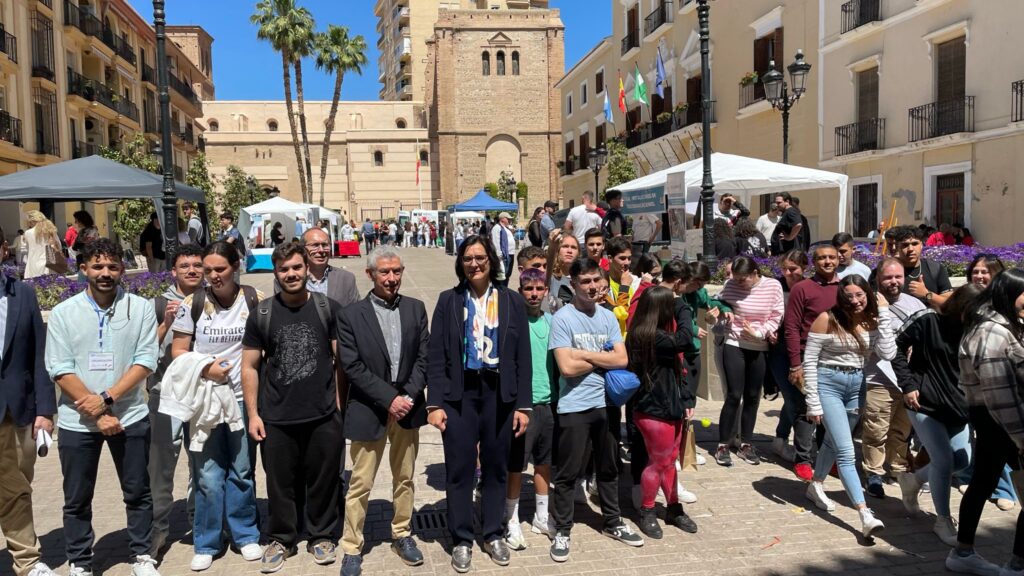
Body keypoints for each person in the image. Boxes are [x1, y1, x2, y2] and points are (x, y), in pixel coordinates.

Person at [45, 238, 161, 576]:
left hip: (131, 416)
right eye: (98, 266)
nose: (105, 273)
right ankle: (80, 562)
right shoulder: (65, 313)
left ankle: (141, 554)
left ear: (122, 269)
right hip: (77, 422)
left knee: (138, 491)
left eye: (112, 266)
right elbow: (59, 368)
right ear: (84, 270)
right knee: (77, 498)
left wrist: (107, 399)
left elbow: (145, 360)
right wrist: (98, 412)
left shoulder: (139, 308)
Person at [426, 235, 532, 572]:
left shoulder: (511, 300)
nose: (475, 263)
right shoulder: (448, 301)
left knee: (496, 466)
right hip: (460, 395)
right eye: (468, 258)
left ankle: (493, 532)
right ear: (460, 263)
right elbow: (436, 355)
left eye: (480, 257)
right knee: (458, 469)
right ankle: (460, 538)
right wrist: (435, 403)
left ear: (492, 260)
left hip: (499, 394)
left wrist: (523, 405)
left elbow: (523, 355)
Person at [241, 241, 345, 573]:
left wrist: (339, 406)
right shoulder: (263, 313)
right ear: (276, 272)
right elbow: (249, 367)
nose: (291, 274)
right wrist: (254, 414)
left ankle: (321, 534)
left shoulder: (328, 308)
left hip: (322, 413)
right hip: (277, 416)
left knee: (323, 479)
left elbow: (341, 361)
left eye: (296, 267)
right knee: (279, 482)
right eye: (284, 269)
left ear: (306, 270)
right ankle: (282, 538)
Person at [169, 242, 262, 571]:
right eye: (207, 270)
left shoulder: (253, 299)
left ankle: (246, 534)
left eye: (219, 269)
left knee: (242, 470)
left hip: (240, 399)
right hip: (204, 401)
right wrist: (205, 367)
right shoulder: (192, 303)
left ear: (235, 266)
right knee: (207, 475)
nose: (212, 276)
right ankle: (207, 540)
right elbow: (178, 350)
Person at [338, 247, 429, 576]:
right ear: (370, 275)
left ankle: (402, 533)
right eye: (384, 273)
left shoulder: (416, 309)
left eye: (396, 271)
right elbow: (352, 366)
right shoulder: (350, 315)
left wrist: (407, 395)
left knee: (405, 477)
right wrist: (388, 398)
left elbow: (424, 356)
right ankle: (352, 546)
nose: (391, 278)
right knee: (361, 482)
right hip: (369, 407)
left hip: (408, 406)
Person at [548, 258, 643, 563]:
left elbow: (622, 360)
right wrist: (602, 357)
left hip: (607, 404)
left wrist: (585, 354)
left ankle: (613, 522)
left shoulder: (607, 317)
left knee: (609, 468)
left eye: (596, 280)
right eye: (585, 281)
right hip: (574, 406)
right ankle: (561, 529)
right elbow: (566, 367)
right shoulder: (563, 319)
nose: (592, 287)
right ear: (573, 285)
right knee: (567, 473)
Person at [802, 274, 895, 538]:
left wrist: (884, 313)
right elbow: (810, 361)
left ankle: (816, 484)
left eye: (860, 295)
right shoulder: (826, 319)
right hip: (827, 382)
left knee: (833, 441)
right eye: (848, 296)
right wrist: (813, 402)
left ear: (869, 294)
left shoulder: (873, 319)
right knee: (846, 451)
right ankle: (865, 514)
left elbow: (888, 353)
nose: (854, 301)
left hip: (857, 385)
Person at [892, 284, 982, 546]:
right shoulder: (927, 320)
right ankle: (943, 520)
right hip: (924, 403)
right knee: (943, 462)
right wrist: (907, 385)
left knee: (962, 461)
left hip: (958, 406)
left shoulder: (977, 330)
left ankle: (913, 480)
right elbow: (895, 349)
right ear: (959, 306)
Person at [949, 268, 1024, 575]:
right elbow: (999, 395)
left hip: (996, 421)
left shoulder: (1003, 324)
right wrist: (1022, 439)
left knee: (982, 482)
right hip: (1002, 421)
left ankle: (963, 552)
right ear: (1010, 293)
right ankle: (1017, 563)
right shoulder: (992, 332)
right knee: (984, 482)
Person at [0, 225, 57, 576]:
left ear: (3, 249)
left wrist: (45, 410)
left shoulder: (22, 295)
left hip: (16, 410)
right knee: (13, 487)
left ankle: (27, 562)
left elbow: (39, 356)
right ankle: (28, 558)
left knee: (17, 487)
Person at [626, 285, 699, 539]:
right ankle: (647, 511)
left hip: (670, 406)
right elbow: (686, 338)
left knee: (669, 462)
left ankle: (674, 508)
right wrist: (683, 307)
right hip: (652, 409)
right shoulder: (646, 335)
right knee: (658, 462)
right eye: (670, 306)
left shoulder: (653, 332)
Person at [148, 244, 205, 556]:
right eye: (185, 266)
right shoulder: (157, 304)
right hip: (164, 396)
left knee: (202, 465)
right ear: (174, 271)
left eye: (198, 265)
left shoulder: (213, 300)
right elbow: (142, 352)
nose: (192, 270)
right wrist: (165, 324)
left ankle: (200, 524)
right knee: (159, 467)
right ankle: (156, 529)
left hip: (203, 396)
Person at [860, 258, 925, 499]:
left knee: (901, 430)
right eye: (888, 277)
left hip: (907, 380)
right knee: (876, 429)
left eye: (898, 276)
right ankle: (873, 473)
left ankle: (898, 469)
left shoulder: (914, 304)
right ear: (878, 279)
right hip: (878, 378)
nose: (894, 281)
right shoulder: (867, 303)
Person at [504, 268, 557, 549]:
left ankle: (541, 515)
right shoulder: (514, 322)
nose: (534, 294)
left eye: (539, 289)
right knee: (516, 466)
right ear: (520, 291)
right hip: (523, 406)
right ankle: (510, 518)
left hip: (548, 403)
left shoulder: (551, 321)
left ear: (546, 290)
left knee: (544, 463)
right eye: (529, 289)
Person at [714, 257, 784, 467]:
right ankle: (723, 444)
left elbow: (776, 315)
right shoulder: (731, 285)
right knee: (734, 394)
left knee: (753, 396)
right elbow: (717, 299)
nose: (738, 283)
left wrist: (760, 332)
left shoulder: (772, 286)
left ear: (755, 274)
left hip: (758, 344)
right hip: (734, 341)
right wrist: (723, 310)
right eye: (735, 279)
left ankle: (746, 442)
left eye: (743, 279)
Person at [784, 244, 841, 481]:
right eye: (821, 258)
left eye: (831, 257)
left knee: (832, 412)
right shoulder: (802, 288)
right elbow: (792, 327)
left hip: (837, 358)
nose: (827, 262)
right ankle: (803, 459)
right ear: (813, 262)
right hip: (808, 358)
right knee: (806, 412)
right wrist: (795, 364)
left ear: (839, 260)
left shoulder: (847, 287)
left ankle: (829, 458)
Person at [768, 250, 809, 462]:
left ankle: (780, 439)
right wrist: (768, 330)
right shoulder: (775, 286)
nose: (787, 273)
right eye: (783, 269)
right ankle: (795, 446)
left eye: (792, 269)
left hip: (804, 350)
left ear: (804, 268)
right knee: (793, 398)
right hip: (779, 350)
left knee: (797, 396)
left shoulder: (810, 287)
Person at [277, 228, 360, 308]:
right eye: (315, 245)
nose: (321, 250)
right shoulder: (287, 279)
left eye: (325, 245)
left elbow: (356, 314)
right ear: (302, 248)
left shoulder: (346, 278)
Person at [887, 225, 953, 309]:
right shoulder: (887, 271)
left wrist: (926, 294)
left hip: (931, 320)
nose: (910, 249)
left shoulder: (935, 268)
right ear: (897, 247)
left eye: (915, 244)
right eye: (905, 245)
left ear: (921, 245)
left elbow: (949, 303)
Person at [544, 231, 580, 314]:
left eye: (574, 247)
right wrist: (552, 247)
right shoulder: (551, 276)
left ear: (579, 253)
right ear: (558, 250)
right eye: (565, 246)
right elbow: (549, 265)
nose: (569, 251)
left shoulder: (582, 278)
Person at [23, 210, 59, 280]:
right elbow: (58, 245)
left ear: (31, 221)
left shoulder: (28, 233)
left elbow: (28, 249)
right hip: (49, 263)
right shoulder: (50, 230)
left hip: (33, 264)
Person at [491, 212, 516, 287]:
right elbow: (496, 242)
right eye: (508, 219)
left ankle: (504, 290)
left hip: (509, 254)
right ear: (502, 219)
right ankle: (500, 291)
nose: (510, 220)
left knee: (507, 275)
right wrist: (499, 255)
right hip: (503, 256)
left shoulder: (505, 228)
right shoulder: (497, 228)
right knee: (501, 276)